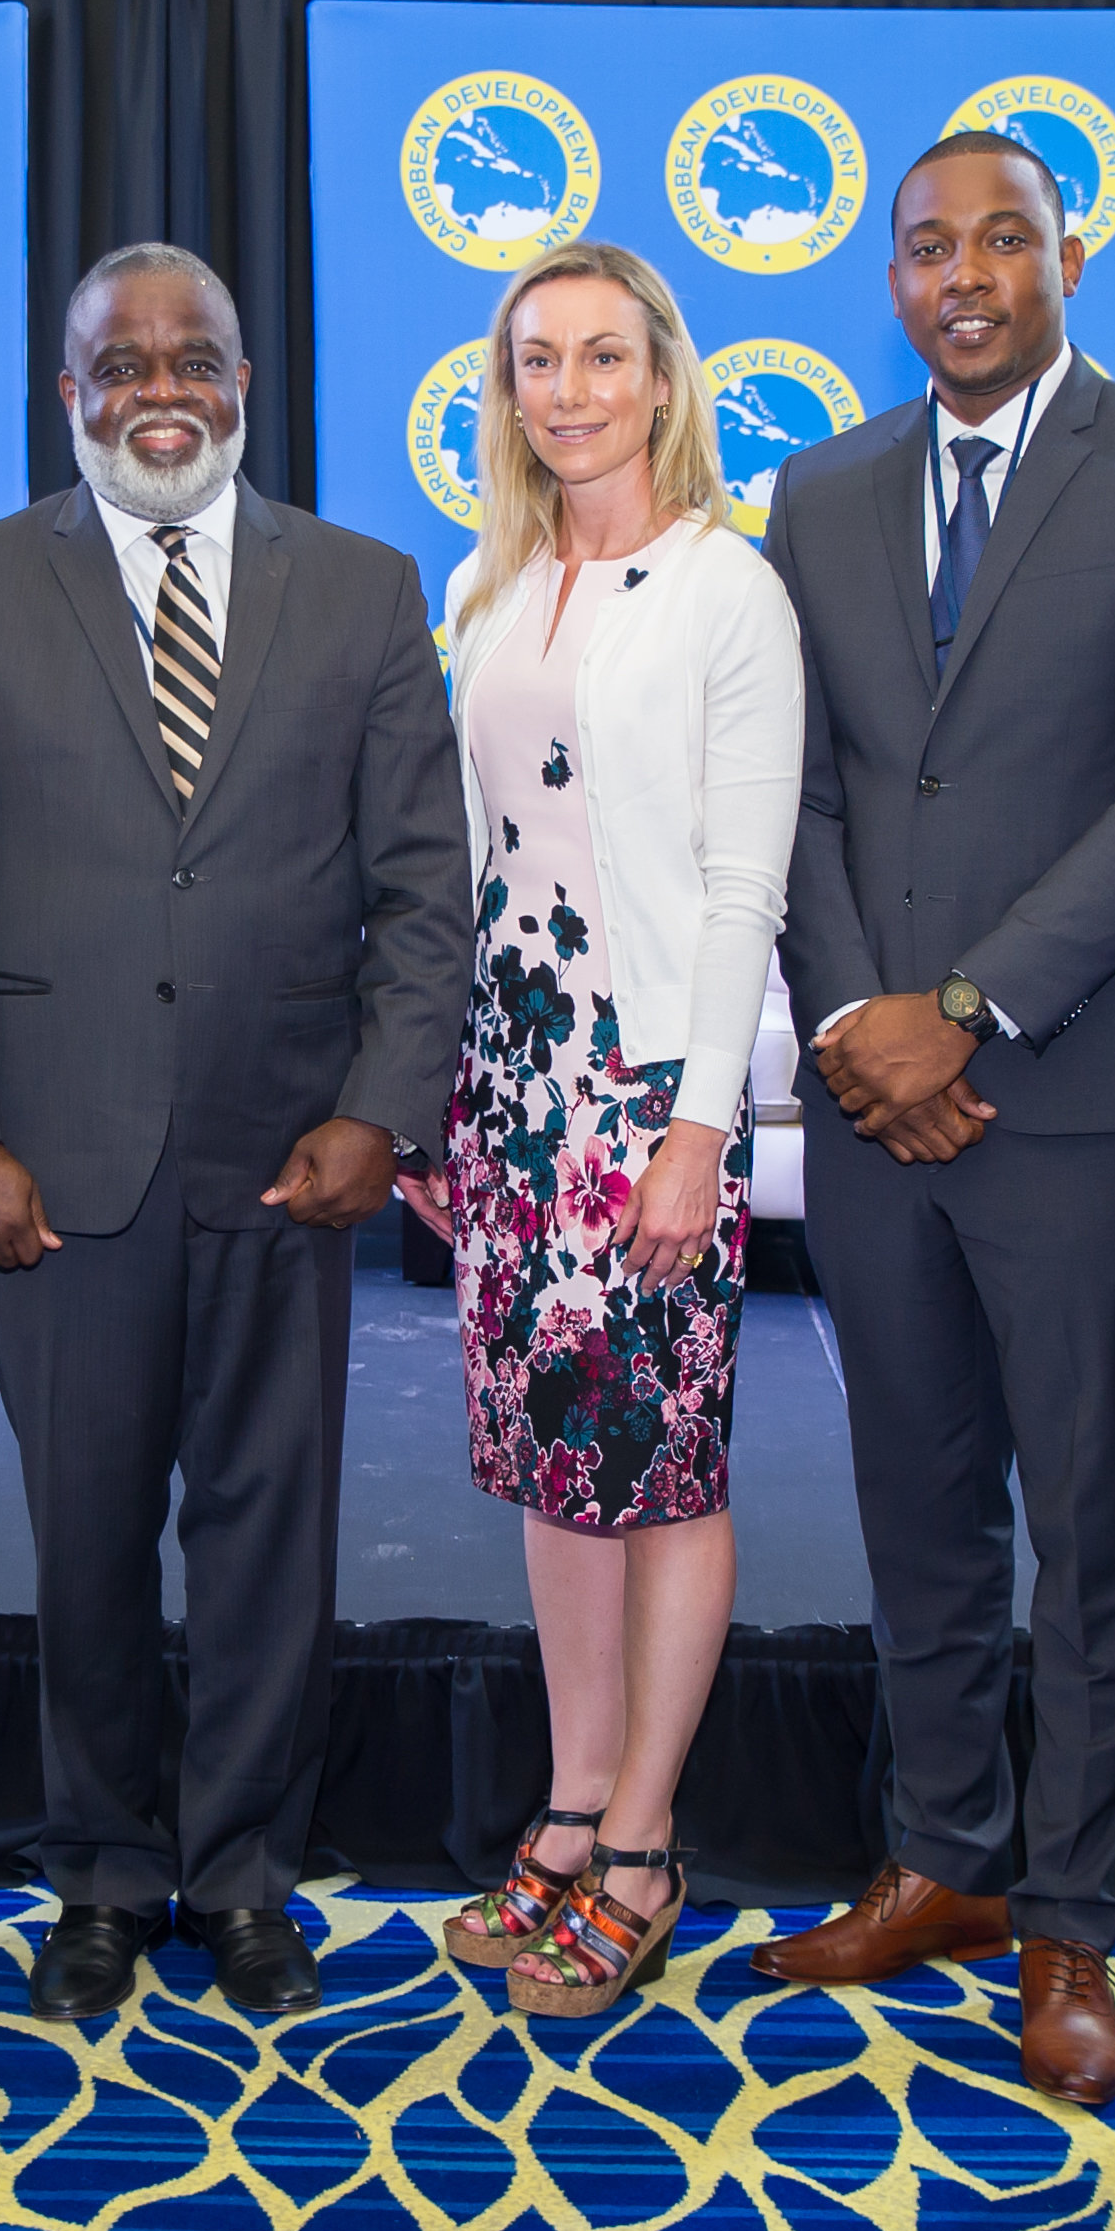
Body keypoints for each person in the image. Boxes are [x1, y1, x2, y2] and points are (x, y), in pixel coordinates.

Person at [0, 243, 468, 2022]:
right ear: (70, 393)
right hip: (53, 1164)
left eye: (192, 355)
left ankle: (246, 1874)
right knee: (86, 1535)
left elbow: (427, 890)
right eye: (118, 360)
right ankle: (104, 1874)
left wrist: (382, 1107)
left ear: (243, 381)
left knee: (271, 1532)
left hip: (292, 1155)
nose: (159, 384)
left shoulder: (364, 588)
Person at [751, 131, 1115, 2105]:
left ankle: (1072, 1914)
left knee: (1088, 1520)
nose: (960, 274)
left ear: (1068, 254)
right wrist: (855, 1020)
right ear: (886, 273)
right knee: (914, 1497)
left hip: (1062, 1097)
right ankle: (944, 1858)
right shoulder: (821, 488)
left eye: (1000, 239)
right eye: (924, 244)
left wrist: (959, 1015)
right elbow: (786, 786)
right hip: (873, 1102)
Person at [395, 242, 799, 2019]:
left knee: (665, 1465)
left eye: (601, 357)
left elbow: (742, 884)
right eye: (535, 360)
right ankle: (567, 1799)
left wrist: (703, 1125)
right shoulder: (490, 590)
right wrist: (440, 1093)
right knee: (554, 1466)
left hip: (646, 1091)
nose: (567, 388)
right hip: (511, 1082)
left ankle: (644, 1838)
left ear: (662, 379)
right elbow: (460, 874)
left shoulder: (729, 590)